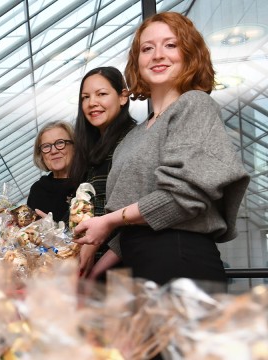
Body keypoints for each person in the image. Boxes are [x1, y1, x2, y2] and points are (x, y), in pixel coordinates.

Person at [73, 12, 249, 292]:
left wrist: (106, 221)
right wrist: (93, 273)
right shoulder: (135, 135)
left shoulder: (194, 105)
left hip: (179, 261)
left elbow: (182, 198)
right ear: (137, 61)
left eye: (170, 45)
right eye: (147, 48)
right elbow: (132, 227)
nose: (157, 55)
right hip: (138, 265)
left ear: (190, 54)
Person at [68, 66, 136, 278]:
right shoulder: (91, 150)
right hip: (93, 268)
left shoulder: (132, 143)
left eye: (102, 94)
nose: (92, 103)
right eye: (85, 97)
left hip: (122, 268)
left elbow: (133, 216)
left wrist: (95, 263)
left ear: (123, 97)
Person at [26, 120, 77, 223]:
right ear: (41, 155)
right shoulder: (38, 190)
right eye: (46, 146)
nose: (53, 151)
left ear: (75, 147)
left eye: (60, 143)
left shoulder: (90, 181)